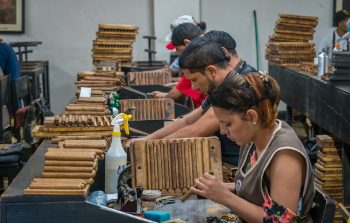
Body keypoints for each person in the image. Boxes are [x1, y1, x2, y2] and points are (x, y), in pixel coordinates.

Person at [191, 72, 315, 223]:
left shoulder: (284, 156)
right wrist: (219, 188)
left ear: (252, 117)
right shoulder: (253, 136)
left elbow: (279, 221)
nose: (223, 131)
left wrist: (225, 197)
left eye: (228, 124)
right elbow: (259, 190)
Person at [125, 36, 256, 166]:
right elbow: (187, 121)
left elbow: (195, 130)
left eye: (194, 80)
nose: (193, 87)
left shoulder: (235, 89)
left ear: (211, 71)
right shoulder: (220, 88)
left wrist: (148, 146)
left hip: (235, 167)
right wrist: (146, 140)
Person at [152, 23, 207, 108]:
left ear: (186, 43)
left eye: (179, 49)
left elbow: (174, 95)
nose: (177, 52)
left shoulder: (197, 60)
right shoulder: (207, 47)